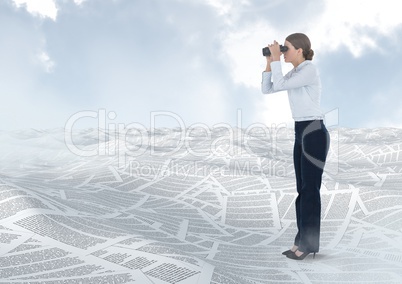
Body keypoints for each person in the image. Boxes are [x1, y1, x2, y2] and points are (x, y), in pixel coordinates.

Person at [261, 33, 330, 260]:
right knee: (302, 189)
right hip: (301, 130)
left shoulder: (309, 69)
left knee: (310, 189)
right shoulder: (297, 72)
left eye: (286, 48)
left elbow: (279, 84)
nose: (283, 52)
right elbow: (269, 89)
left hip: (314, 131)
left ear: (299, 50)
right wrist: (270, 63)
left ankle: (309, 245)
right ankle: (301, 240)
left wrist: (276, 60)